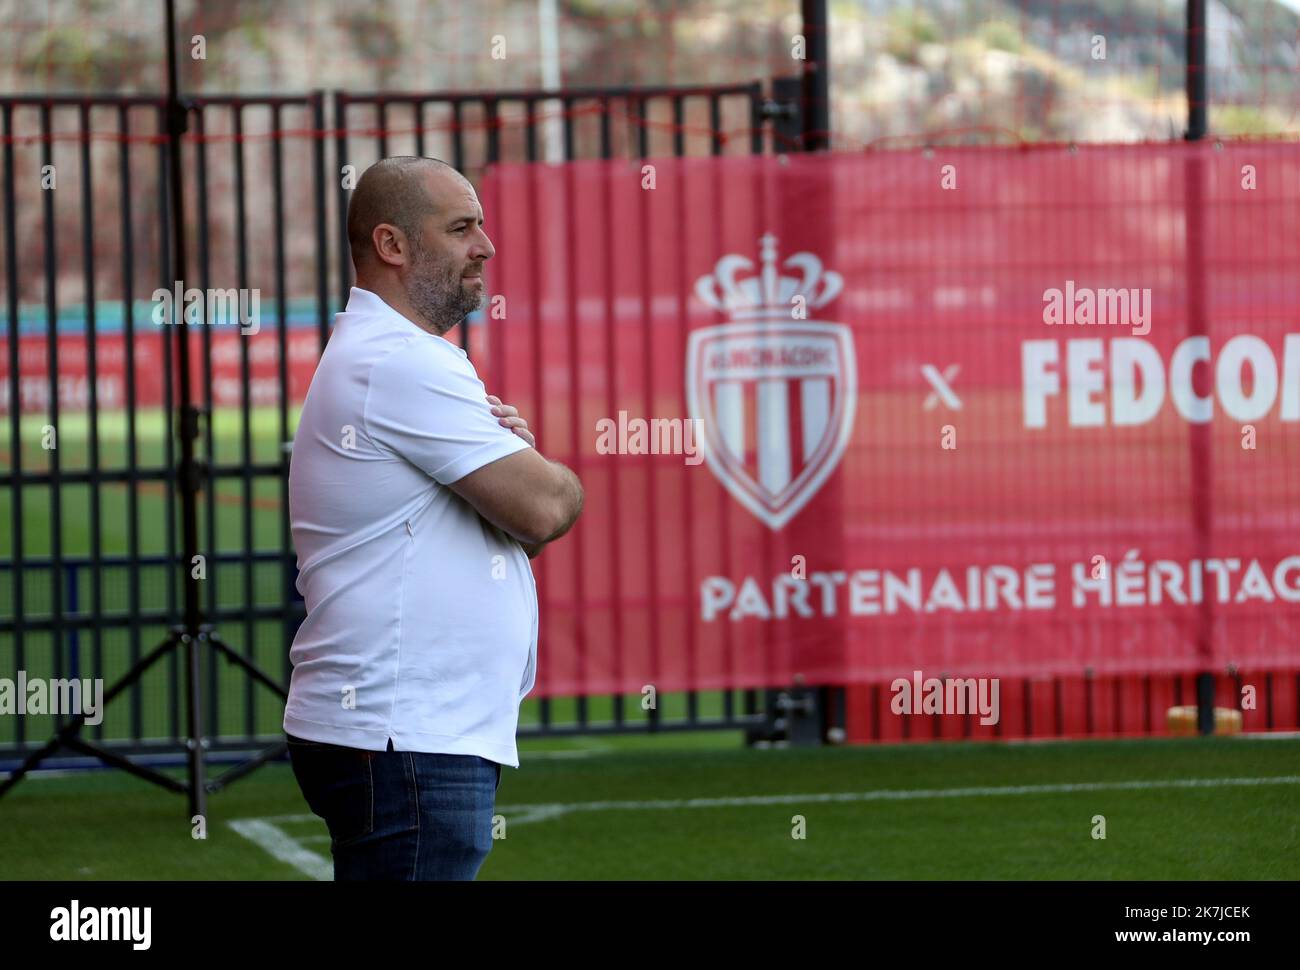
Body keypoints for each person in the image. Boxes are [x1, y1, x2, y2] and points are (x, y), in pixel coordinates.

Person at [282, 156, 584, 880]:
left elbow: (510, 529)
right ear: (392, 245)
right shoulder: (403, 363)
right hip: (405, 734)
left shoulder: (393, 357)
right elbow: (545, 509)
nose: (485, 245)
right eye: (461, 227)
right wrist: (548, 477)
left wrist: (520, 472)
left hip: (405, 730)